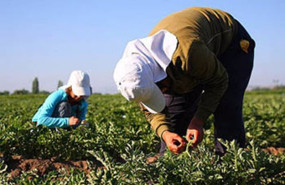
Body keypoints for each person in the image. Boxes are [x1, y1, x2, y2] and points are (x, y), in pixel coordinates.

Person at [113, 7, 255, 156]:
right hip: (192, 54)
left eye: (160, 89)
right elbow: (152, 110)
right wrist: (165, 133)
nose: (162, 92)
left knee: (226, 105)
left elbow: (219, 81)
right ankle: (170, 168)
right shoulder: (134, 75)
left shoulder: (187, 55)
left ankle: (231, 166)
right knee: (174, 114)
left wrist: (198, 120)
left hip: (231, 43)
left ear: (159, 77)